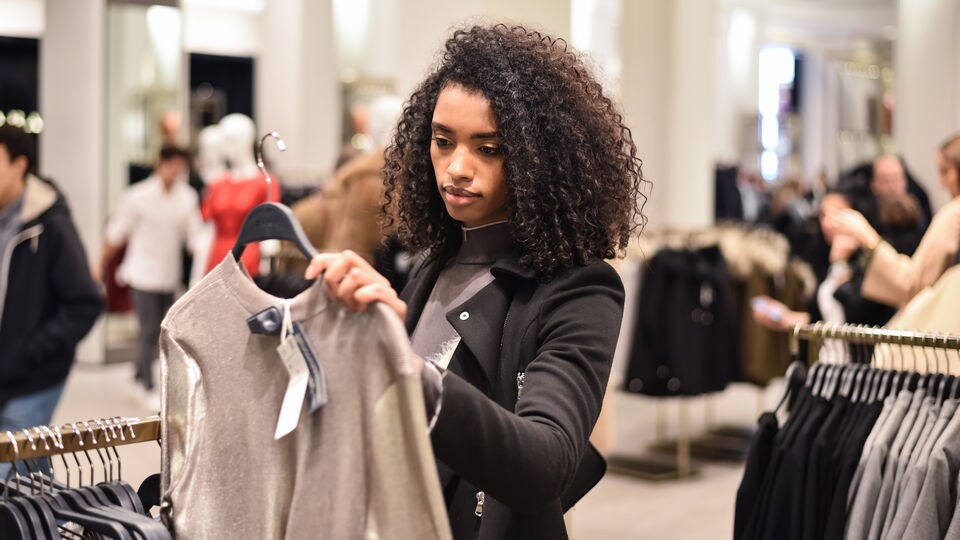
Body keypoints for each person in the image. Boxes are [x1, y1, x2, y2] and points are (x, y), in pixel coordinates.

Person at [304, 24, 645, 539]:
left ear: (538, 161)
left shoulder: (580, 289)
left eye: (488, 149)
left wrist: (403, 365)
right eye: (443, 142)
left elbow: (545, 462)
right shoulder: (431, 264)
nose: (456, 168)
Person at [0, 124, 102, 473]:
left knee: (11, 476)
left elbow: (85, 302)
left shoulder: (49, 225)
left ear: (20, 164)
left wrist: (31, 352)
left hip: (33, 377)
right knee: (30, 479)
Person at [95, 145, 200, 407]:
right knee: (147, 329)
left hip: (169, 274)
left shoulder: (186, 197)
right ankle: (145, 384)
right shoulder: (137, 196)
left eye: (180, 166)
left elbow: (194, 236)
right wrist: (99, 264)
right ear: (160, 164)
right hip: (141, 273)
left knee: (164, 331)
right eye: (171, 164)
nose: (175, 171)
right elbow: (116, 234)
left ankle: (138, 375)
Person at [831, 135, 960, 308]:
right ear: (874, 184)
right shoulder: (869, 209)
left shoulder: (952, 214)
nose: (940, 182)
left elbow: (913, 282)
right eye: (885, 180)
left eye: (945, 171)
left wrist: (866, 237)